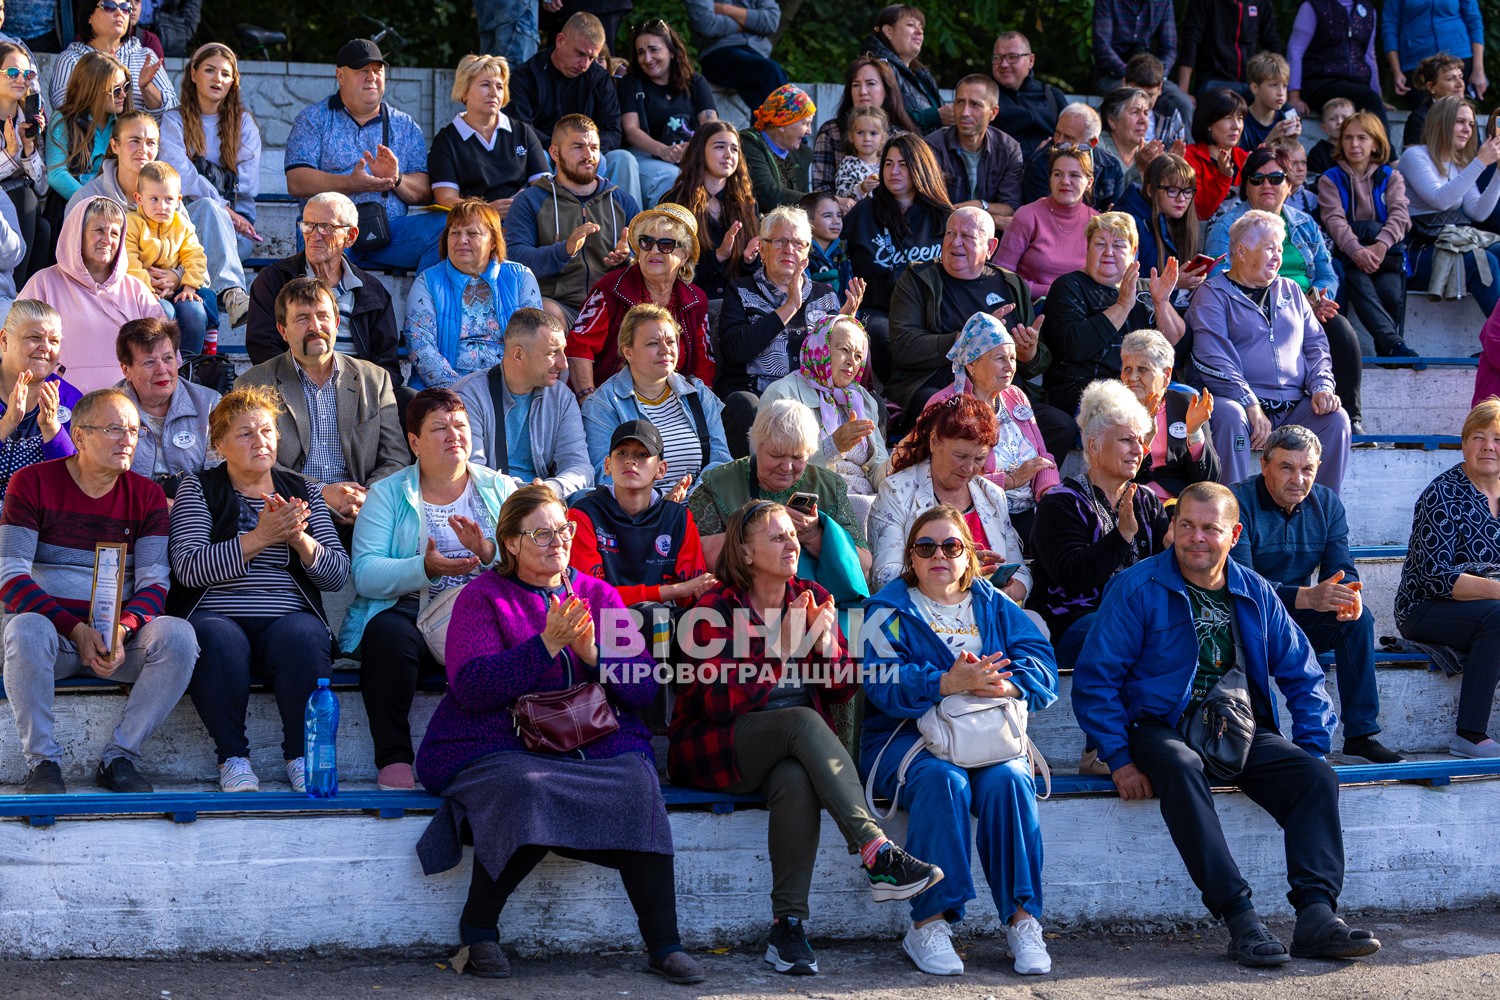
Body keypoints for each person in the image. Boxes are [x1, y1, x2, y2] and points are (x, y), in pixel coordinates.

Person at [1077, 481, 1384, 965]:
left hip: (1234, 723)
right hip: (1156, 725)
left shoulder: (1255, 590)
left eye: (1210, 528)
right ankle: (1240, 918)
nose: (1196, 538)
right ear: (1173, 527)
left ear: (1234, 535)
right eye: (1186, 526)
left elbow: (1302, 673)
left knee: (1314, 777)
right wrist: (1118, 757)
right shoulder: (1137, 587)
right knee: (1182, 765)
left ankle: (1316, 916)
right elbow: (1097, 679)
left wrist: (1311, 745)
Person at [413, 484, 706, 985]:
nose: (559, 542)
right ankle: (479, 930)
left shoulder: (598, 595)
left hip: (591, 736)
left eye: (564, 530)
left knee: (638, 785)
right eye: (542, 534)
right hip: (499, 737)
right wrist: (546, 645)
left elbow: (642, 689)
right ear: (511, 543)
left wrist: (595, 654)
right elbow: (471, 686)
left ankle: (664, 945)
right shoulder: (483, 597)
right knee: (528, 785)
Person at [668, 498, 941, 977]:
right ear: (745, 552)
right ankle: (874, 848)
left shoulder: (811, 594)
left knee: (796, 778)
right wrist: (784, 643)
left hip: (790, 751)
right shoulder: (714, 609)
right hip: (718, 747)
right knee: (801, 721)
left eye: (792, 535)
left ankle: (788, 926)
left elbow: (841, 690)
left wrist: (826, 642)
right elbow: (718, 703)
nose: (791, 544)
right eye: (776, 537)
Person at [860, 505, 1058, 977]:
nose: (939, 556)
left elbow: (1042, 666)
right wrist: (946, 683)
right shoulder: (886, 608)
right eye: (926, 547)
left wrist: (1005, 684)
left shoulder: (993, 603)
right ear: (911, 557)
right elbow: (880, 679)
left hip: (989, 739)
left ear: (968, 555)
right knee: (944, 781)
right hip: (906, 739)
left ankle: (1022, 920)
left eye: (951, 546)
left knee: (1010, 782)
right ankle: (929, 923)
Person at [1, 387, 197, 796]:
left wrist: (121, 631)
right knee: (24, 629)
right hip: (53, 643)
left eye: (134, 430)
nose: (127, 439)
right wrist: (76, 631)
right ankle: (43, 763)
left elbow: (154, 584)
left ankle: (120, 756)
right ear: (79, 436)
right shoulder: (32, 483)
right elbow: (10, 577)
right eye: (114, 429)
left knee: (179, 636)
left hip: (116, 648)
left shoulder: (146, 496)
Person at [167, 385, 349, 793]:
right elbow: (188, 567)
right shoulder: (198, 488)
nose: (260, 441)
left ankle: (301, 757)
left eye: (267, 431)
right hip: (217, 613)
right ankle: (233, 758)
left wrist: (299, 539)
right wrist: (260, 537)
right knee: (216, 638)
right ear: (219, 445)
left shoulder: (304, 491)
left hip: (286, 616)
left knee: (306, 635)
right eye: (245, 434)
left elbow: (336, 575)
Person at [340, 387, 518, 792]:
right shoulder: (387, 494)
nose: (454, 435)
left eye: (461, 426)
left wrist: (488, 552)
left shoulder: (501, 489)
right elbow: (365, 574)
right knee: (386, 635)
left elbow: (530, 559)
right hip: (412, 611)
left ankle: (502, 749)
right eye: (439, 428)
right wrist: (425, 568)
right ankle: (394, 757)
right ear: (414, 442)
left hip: (484, 611)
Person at [1229, 424, 1400, 765]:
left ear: (1318, 468)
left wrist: (1349, 594)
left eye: (1307, 469)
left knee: (1357, 619)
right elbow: (1242, 585)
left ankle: (1361, 735)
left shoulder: (1327, 504)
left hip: (1296, 618)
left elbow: (1342, 568)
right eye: (1286, 467)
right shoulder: (1236, 502)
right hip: (1245, 620)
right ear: (1264, 465)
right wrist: (1307, 597)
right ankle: (1261, 740)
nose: (1298, 479)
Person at [1204, 146, 1366, 431]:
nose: (1266, 185)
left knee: (1340, 329)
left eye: (1276, 178)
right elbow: (1220, 276)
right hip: (1251, 311)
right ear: (1246, 187)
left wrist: (1315, 299)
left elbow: (1327, 272)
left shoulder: (1304, 224)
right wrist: (1294, 303)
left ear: (1290, 185)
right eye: (1257, 179)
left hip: (1306, 309)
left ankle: (1349, 416)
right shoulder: (1228, 227)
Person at [1188, 211, 1350, 492]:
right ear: (1241, 251)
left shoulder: (1292, 290)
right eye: (1269, 248)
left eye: (1280, 249)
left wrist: (1322, 386)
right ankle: (1230, 511)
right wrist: (1249, 403)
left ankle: (1321, 511)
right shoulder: (1211, 294)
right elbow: (1213, 357)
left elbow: (1316, 345)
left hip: (1293, 406)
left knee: (1336, 419)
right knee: (1228, 414)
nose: (1277, 256)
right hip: (1239, 403)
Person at [235, 277, 407, 538]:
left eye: (323, 316)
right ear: (283, 330)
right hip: (291, 513)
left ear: (336, 323)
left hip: (365, 512)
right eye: (302, 318)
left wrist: (366, 496)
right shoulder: (254, 385)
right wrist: (321, 493)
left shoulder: (374, 379)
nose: (315, 327)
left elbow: (396, 457)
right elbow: (254, 461)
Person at [887, 207, 1062, 457]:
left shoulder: (1011, 284)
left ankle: (1032, 479)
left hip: (1001, 394)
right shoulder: (919, 279)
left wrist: (1028, 353)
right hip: (939, 387)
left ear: (990, 246)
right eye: (950, 233)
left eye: (967, 236)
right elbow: (904, 346)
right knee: (955, 417)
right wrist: (967, 339)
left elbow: (1038, 361)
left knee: (1059, 425)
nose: (955, 242)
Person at [1030, 380, 1169, 684]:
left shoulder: (1146, 500)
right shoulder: (1060, 503)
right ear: (1093, 446)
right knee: (1130, 632)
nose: (1138, 450)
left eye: (1140, 441)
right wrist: (1122, 535)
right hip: (1076, 623)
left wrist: (1173, 549)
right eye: (1127, 441)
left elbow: (1164, 571)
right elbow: (1074, 577)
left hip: (1138, 619)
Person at [66, 110, 249, 331]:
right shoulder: (88, 198)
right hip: (114, 290)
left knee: (209, 209)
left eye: (151, 143)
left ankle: (231, 295)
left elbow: (191, 249)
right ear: (115, 146)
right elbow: (75, 261)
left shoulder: (168, 196)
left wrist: (177, 276)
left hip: (168, 285)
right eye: (134, 141)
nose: (143, 149)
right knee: (164, 312)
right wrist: (142, 283)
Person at [283, 38, 445, 275]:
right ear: (340, 76)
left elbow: (424, 191)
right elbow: (296, 181)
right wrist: (350, 183)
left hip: (390, 232)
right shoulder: (312, 119)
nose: (372, 77)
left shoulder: (406, 125)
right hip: (331, 229)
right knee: (318, 236)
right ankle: (329, 299)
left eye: (378, 70)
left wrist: (397, 178)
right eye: (362, 70)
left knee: (447, 228)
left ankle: (424, 297)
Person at [1396, 398, 1500, 759]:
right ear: (1464, 443)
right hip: (1426, 607)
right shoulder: (1443, 493)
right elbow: (1436, 577)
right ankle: (1469, 734)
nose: (1488, 446)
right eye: (1478, 437)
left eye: (1498, 438)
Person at [717, 205, 855, 455]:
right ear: (763, 249)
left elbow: (834, 366)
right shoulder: (740, 290)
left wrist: (846, 327)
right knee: (741, 404)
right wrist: (790, 306)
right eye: (780, 241)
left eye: (798, 243)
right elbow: (736, 350)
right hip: (757, 393)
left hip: (812, 397)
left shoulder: (825, 295)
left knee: (869, 401)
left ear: (807, 252)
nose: (789, 249)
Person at [688, 399, 872, 585]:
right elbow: (693, 556)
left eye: (798, 457)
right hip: (742, 594)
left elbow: (863, 566)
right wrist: (759, 533)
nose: (787, 467)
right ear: (757, 446)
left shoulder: (828, 486)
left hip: (816, 597)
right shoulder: (719, 483)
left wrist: (814, 536)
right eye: (776, 455)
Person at [870, 393, 1030, 597]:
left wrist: (1008, 591)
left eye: (979, 459)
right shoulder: (897, 492)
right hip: (921, 612)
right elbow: (884, 577)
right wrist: (960, 573)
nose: (969, 468)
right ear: (934, 442)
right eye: (960, 456)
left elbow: (1020, 570)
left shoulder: (992, 495)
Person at [923, 313, 1059, 547]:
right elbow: (940, 477)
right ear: (971, 364)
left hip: (1029, 510)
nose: (1009, 367)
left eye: (1013, 358)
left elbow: (1042, 457)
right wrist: (1011, 480)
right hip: (976, 515)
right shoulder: (946, 405)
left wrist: (1049, 495)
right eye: (1000, 358)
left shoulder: (1015, 396)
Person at [245, 192, 402, 387]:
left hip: (357, 390)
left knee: (407, 397)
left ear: (350, 236)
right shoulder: (274, 280)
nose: (314, 235)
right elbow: (263, 349)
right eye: (308, 225)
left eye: (326, 227)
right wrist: (304, 387)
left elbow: (386, 364)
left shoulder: (373, 292)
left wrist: (361, 393)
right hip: (291, 387)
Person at [1040, 212, 1184, 420]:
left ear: (1133, 251)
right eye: (1100, 244)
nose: (1108, 252)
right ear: (1088, 248)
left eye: (1118, 245)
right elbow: (1076, 346)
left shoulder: (1147, 288)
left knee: (1188, 398)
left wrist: (1162, 303)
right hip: (1085, 390)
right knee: (1121, 408)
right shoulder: (1069, 286)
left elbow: (1176, 345)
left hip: (1143, 385)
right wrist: (1122, 306)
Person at [503, 112, 639, 327]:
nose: (588, 155)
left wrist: (628, 258)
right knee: (546, 315)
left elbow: (646, 256)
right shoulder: (530, 200)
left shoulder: (622, 201)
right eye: (578, 147)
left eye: (594, 147)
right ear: (554, 152)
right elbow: (515, 258)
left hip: (611, 304)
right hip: (560, 305)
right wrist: (564, 250)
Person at [17, 196, 163, 394]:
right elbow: (16, 346)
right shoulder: (43, 283)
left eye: (114, 233)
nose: (107, 240)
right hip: (61, 403)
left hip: (129, 403)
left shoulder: (137, 290)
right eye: (99, 230)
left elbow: (165, 352)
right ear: (78, 234)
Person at [566, 204, 713, 397]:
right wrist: (588, 399)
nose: (654, 250)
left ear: (684, 255)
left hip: (672, 402)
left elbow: (704, 364)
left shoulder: (696, 300)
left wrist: (702, 406)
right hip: (610, 400)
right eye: (647, 242)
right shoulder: (610, 289)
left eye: (666, 244)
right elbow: (578, 348)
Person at [581, 303, 729, 493]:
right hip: (637, 506)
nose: (665, 350)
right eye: (653, 343)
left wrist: (695, 498)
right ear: (628, 352)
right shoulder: (604, 404)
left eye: (671, 341)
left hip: (699, 503)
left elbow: (721, 461)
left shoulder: (698, 393)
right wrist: (658, 502)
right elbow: (605, 475)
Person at [567, 418, 715, 606]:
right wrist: (674, 590)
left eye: (642, 454)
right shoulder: (583, 514)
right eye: (622, 453)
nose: (630, 461)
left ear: (661, 469)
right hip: (603, 619)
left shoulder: (678, 518)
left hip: (667, 619)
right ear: (607, 465)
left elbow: (693, 594)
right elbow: (590, 596)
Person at [843, 132, 953, 382]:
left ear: (921, 168)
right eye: (889, 164)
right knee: (881, 334)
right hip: (878, 309)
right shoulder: (863, 213)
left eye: (903, 164)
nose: (894, 172)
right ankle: (898, 395)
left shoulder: (943, 216)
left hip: (932, 310)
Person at [404, 198, 542, 390]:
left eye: (472, 233)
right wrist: (461, 392)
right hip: (446, 391)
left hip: (509, 386)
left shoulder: (520, 277)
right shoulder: (427, 282)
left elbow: (534, 338)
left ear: (493, 241)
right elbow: (419, 344)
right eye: (454, 233)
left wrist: (507, 389)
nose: (462, 240)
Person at [453, 307, 592, 496]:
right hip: (491, 501)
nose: (564, 364)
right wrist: (527, 494)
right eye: (553, 353)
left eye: (563, 351)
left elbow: (580, 467)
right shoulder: (469, 395)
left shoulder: (562, 397)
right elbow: (471, 470)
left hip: (548, 498)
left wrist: (552, 488)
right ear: (518, 355)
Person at [159, 41, 263, 293]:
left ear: (232, 82)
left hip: (237, 228)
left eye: (226, 74)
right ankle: (233, 293)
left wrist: (225, 211)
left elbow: (246, 185)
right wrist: (220, 206)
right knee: (206, 207)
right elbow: (179, 176)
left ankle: (193, 286)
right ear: (193, 74)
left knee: (212, 229)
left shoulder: (244, 124)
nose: (218, 78)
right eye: (209, 70)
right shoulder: (174, 121)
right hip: (186, 223)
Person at [508, 12, 639, 203]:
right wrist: (564, 150)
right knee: (539, 157)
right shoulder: (526, 75)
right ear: (560, 40)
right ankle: (556, 217)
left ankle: (632, 220)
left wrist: (586, 150)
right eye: (580, 53)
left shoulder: (599, 78)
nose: (585, 64)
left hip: (591, 152)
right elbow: (520, 127)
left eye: (592, 57)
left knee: (624, 159)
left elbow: (612, 129)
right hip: (546, 150)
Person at [1318, 112, 1416, 359]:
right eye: (1348, 137)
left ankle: (1388, 349)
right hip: (1349, 254)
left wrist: (1380, 245)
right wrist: (1357, 251)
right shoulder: (1330, 178)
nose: (1354, 144)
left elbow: (1401, 215)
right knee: (1359, 283)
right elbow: (1334, 221)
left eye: (1362, 138)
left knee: (1391, 294)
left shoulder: (1391, 177)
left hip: (1385, 254)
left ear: (1375, 143)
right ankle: (1394, 345)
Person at [759, 315, 889, 498]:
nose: (852, 361)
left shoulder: (863, 400)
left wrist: (898, 462)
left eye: (859, 356)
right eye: (844, 350)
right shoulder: (783, 394)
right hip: (814, 498)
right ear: (821, 348)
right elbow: (770, 470)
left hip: (866, 496)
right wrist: (833, 447)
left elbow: (876, 473)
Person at [1399, 96, 1500, 321]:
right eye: (1460, 122)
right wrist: (1480, 163)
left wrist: (1498, 172)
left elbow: (1477, 212)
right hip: (1419, 250)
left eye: (1471, 124)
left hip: (1453, 245)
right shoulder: (1415, 155)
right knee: (1483, 261)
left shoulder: (1459, 164)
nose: (1467, 130)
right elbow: (1440, 199)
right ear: (1441, 122)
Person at [430, 53, 549, 216]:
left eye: (499, 87)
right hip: (473, 222)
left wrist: (523, 201)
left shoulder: (523, 132)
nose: (494, 93)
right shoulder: (446, 141)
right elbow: (446, 198)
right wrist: (486, 211)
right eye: (485, 85)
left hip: (522, 217)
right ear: (464, 91)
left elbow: (544, 187)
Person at [618, 19, 717, 209]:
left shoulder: (695, 83)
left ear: (672, 51)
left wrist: (693, 148)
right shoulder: (630, 83)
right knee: (671, 177)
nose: (647, 58)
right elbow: (630, 130)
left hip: (689, 155)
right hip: (646, 156)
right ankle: (657, 228)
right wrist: (664, 150)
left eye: (653, 50)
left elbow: (710, 124)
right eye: (641, 52)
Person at [662, 120, 761, 302]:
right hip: (690, 303)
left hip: (736, 304)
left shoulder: (747, 205)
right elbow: (666, 267)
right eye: (719, 147)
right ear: (700, 151)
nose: (728, 154)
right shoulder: (675, 202)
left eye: (734, 149)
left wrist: (750, 261)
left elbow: (754, 277)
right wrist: (717, 256)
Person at [115, 316, 220, 484]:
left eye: (168, 358)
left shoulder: (210, 404)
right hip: (132, 500)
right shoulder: (107, 410)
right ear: (126, 370)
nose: (162, 370)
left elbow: (218, 476)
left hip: (195, 499)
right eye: (149, 362)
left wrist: (186, 498)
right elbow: (103, 477)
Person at [124, 160, 212, 354]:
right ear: (139, 198)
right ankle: (161, 361)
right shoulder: (131, 223)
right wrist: (148, 289)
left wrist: (189, 286)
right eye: (154, 199)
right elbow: (129, 261)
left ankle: (189, 363)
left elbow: (195, 256)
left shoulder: (182, 226)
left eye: (168, 199)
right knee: (164, 312)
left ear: (178, 200)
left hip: (177, 289)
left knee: (194, 311)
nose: (162, 206)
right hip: (144, 292)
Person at [1119, 329, 1219, 499]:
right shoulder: (1112, 408)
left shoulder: (1188, 405)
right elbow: (1112, 472)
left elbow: (1209, 480)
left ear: (1166, 376)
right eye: (1127, 368)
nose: (1133, 377)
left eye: (1142, 369)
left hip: (1179, 501)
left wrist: (1194, 432)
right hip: (1128, 498)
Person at [922, 74, 1023, 239]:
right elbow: (935, 208)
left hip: (988, 240)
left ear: (993, 113)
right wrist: (994, 218)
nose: (965, 112)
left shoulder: (1008, 149)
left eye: (975, 105)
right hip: (941, 238)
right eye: (960, 102)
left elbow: (1010, 207)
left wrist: (979, 205)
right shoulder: (933, 145)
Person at [994, 147, 1099, 299]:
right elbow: (1001, 275)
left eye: (1074, 175)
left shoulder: (1097, 223)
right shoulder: (1027, 216)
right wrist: (1049, 292)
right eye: (1058, 174)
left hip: (1080, 307)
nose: (1065, 181)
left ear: (1089, 182)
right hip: (1031, 305)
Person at [0, 300, 79, 503]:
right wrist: (8, 422)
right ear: (4, 340)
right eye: (34, 337)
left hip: (42, 516)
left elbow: (78, 482)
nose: (45, 348)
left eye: (54, 341)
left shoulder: (69, 398)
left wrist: (51, 427)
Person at [809, 56, 917, 195]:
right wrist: (842, 201)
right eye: (856, 85)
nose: (863, 91)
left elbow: (915, 187)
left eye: (871, 84)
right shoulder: (831, 131)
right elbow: (820, 190)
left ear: (886, 90)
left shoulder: (903, 137)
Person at [50, 0, 176, 118]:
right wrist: (104, 79)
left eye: (125, 8)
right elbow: (63, 109)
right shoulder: (70, 59)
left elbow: (172, 110)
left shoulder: (146, 56)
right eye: (109, 6)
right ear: (89, 16)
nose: (119, 13)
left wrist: (147, 88)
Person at [1286, 0, 1389, 138]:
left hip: (1357, 85)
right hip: (1320, 82)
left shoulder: (1368, 9)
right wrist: (1294, 95)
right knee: (1368, 99)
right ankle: (1387, 151)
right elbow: (1295, 50)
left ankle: (1376, 150)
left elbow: (1369, 55)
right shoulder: (1313, 6)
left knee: (1369, 102)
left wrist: (1378, 98)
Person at [44, 50, 127, 208]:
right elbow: (56, 174)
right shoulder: (63, 118)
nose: (123, 95)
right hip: (75, 206)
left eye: (126, 87)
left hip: (118, 204)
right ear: (93, 90)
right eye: (116, 90)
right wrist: (94, 203)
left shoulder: (124, 122)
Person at [1093, 0, 1194, 126]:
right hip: (1114, 76)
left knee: (1184, 104)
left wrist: (1157, 74)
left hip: (1150, 75)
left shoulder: (1163, 2)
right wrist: (1131, 73)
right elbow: (1102, 47)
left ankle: (1183, 140)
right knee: (1125, 102)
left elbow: (1169, 49)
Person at [1115, 154, 1204, 297]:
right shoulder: (1128, 223)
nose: (1181, 198)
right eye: (1172, 190)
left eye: (1187, 191)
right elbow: (1117, 283)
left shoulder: (1175, 221)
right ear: (1151, 191)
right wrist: (1173, 283)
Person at [0, 42, 49, 287]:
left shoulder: (29, 120)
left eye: (27, 74)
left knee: (44, 227)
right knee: (25, 199)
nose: (21, 79)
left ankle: (30, 294)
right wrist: (10, 154)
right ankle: (16, 292)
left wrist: (28, 147)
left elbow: (43, 189)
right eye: (12, 72)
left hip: (24, 204)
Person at [1020, 103, 1127, 212]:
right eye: (1057, 133)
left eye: (1068, 137)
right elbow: (1043, 213)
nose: (1059, 141)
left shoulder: (1111, 167)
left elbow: (1116, 215)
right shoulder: (1038, 164)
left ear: (1092, 142)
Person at [684, 0, 788, 111]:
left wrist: (726, 9)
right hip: (718, 54)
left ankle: (772, 121)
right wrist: (749, 23)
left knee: (759, 96)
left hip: (756, 55)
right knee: (770, 70)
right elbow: (708, 25)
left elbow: (771, 21)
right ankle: (789, 119)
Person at [864, 4, 949, 133]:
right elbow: (878, 119)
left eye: (921, 27)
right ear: (888, 31)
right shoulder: (876, 68)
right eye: (911, 25)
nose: (920, 32)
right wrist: (933, 117)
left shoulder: (921, 75)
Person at [1383, 0, 1486, 102]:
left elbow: (1474, 21)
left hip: (1459, 58)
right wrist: (1396, 71)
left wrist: (1478, 70)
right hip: (1416, 62)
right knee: (1424, 110)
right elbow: (1389, 26)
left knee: (1461, 109)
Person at [1177, 0, 1282, 99]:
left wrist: (1281, 83)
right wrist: (1183, 90)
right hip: (1213, 82)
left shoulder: (1260, 2)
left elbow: (1271, 40)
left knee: (1286, 109)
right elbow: (1191, 41)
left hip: (1250, 83)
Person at [989, 30, 1068, 161]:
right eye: (997, 57)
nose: (1003, 64)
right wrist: (1034, 156)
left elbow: (1072, 140)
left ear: (1031, 60)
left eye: (1012, 57)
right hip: (1003, 170)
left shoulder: (1052, 97)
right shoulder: (983, 98)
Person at [741, 84, 815, 213]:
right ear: (782, 124)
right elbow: (767, 195)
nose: (809, 131)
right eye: (805, 124)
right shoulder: (748, 143)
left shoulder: (803, 153)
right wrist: (818, 201)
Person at [1184, 88, 1248, 220]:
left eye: (1240, 118)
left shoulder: (1245, 158)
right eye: (1228, 118)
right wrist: (1223, 177)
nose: (1236, 126)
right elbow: (1199, 212)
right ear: (1208, 123)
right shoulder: (1189, 157)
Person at [1238, 52, 1302, 152]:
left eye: (1284, 86)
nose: (1281, 93)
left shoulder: (1284, 120)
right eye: (1274, 85)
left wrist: (1292, 142)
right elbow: (1241, 160)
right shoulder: (1240, 122)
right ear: (1255, 88)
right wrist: (1269, 141)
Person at [1401, 53, 1466, 149]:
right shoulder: (1419, 119)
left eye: (1460, 77)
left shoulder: (1467, 115)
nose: (1460, 84)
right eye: (1450, 79)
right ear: (1431, 87)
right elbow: (1414, 156)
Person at [1097, 87, 1157, 189]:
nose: (1143, 120)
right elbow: (1110, 194)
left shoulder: (1151, 152)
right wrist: (1139, 168)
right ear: (1112, 121)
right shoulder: (1097, 150)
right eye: (1135, 112)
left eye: (1146, 113)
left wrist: (1170, 170)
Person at [834, 105, 888, 208]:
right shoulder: (848, 164)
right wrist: (861, 189)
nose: (867, 138)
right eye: (860, 133)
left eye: (873, 133)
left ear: (883, 138)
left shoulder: (887, 165)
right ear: (851, 136)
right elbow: (841, 195)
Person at [803, 189, 851, 296]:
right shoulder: (802, 254)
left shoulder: (844, 250)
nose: (836, 221)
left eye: (839, 215)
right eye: (828, 216)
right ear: (808, 221)